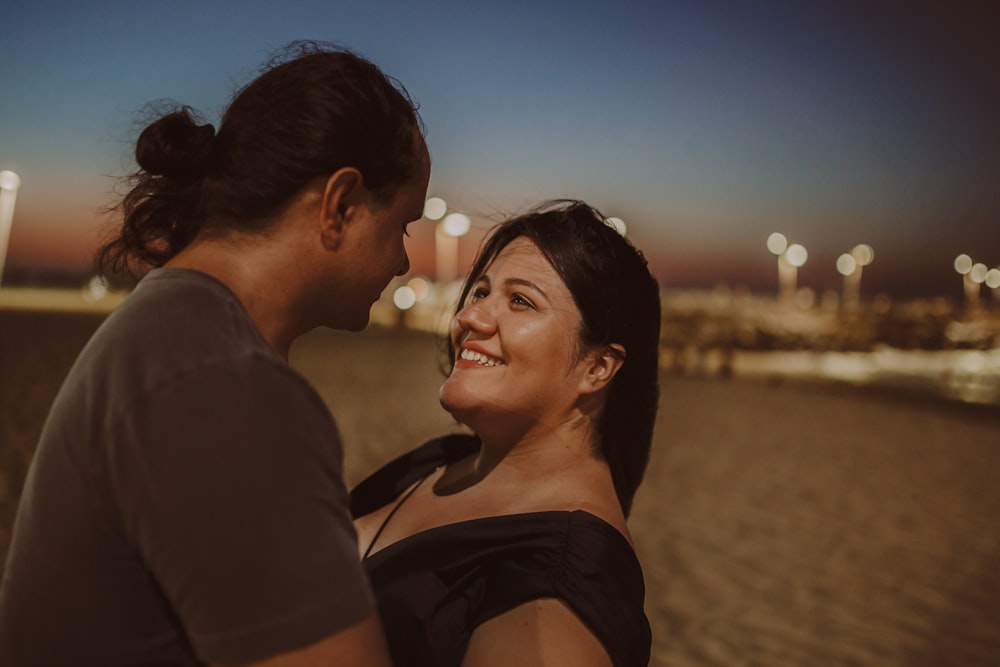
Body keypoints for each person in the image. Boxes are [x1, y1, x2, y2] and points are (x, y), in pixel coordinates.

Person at [0, 41, 429, 666]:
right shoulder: (222, 385)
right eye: (403, 226)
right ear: (340, 205)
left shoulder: (174, 328)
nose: (403, 261)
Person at [351, 200, 661, 667]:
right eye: (480, 292)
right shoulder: (439, 460)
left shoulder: (560, 587)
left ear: (597, 367)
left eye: (521, 301)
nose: (470, 319)